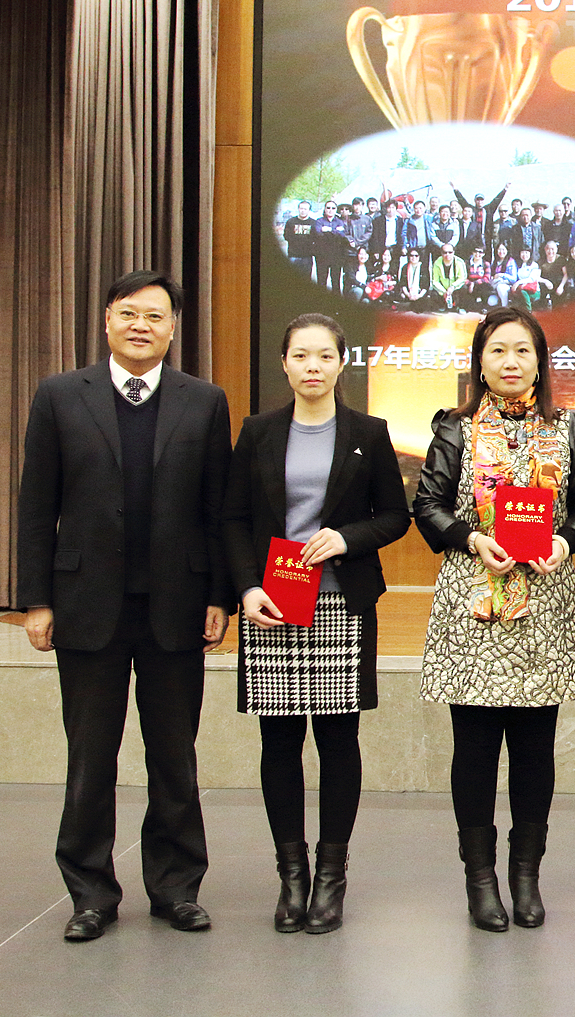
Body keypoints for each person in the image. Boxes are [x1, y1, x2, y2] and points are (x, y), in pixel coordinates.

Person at [16, 270, 232, 942]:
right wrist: (36, 600)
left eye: (156, 316)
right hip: (86, 606)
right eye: (130, 313)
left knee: (174, 758)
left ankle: (176, 888)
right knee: (90, 758)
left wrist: (219, 595)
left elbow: (218, 510)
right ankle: (90, 894)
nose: (142, 326)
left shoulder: (205, 401)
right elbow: (36, 505)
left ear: (173, 329)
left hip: (177, 607)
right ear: (108, 319)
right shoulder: (59, 395)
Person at [413, 307, 575, 932]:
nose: (511, 362)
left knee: (533, 751)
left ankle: (526, 875)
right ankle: (480, 878)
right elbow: (428, 505)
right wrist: (471, 539)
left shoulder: (570, 427)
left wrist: (565, 541)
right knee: (473, 750)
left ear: (541, 362)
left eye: (523, 350)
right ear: (480, 362)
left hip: (543, 607)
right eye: (497, 351)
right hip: (473, 605)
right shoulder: (454, 428)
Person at [221, 313, 410, 935]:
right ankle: (291, 877)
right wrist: (246, 587)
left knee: (336, 742)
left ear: (340, 363)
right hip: (273, 606)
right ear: (284, 363)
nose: (312, 366)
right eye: (300, 355)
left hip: (341, 605)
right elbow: (233, 518)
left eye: (324, 356)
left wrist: (347, 538)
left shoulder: (368, 433)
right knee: (278, 744)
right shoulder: (258, 432)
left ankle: (331, 876)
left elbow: (395, 516)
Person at [430, 244, 469, 312]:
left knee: (464, 288)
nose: (447, 255)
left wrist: (452, 287)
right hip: (442, 289)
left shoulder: (459, 262)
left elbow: (462, 278)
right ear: (441, 253)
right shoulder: (437, 263)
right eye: (445, 252)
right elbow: (435, 281)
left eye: (450, 252)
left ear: (453, 252)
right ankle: (442, 306)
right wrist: (444, 292)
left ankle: (460, 307)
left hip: (455, 288)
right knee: (433, 293)